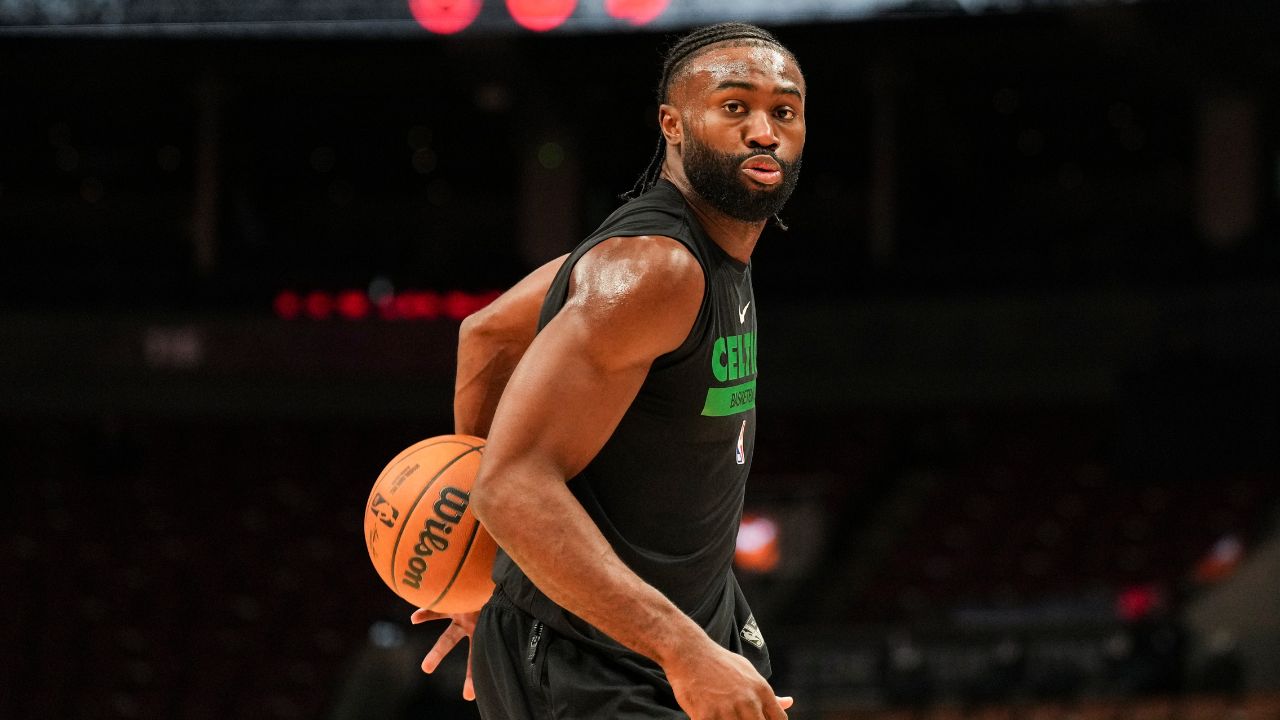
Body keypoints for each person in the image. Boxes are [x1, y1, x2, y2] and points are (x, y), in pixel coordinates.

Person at [411, 22, 806, 720]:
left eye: (784, 110)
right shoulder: (655, 269)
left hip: (674, 627)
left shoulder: (711, 252)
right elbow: (507, 486)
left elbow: (492, 333)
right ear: (674, 125)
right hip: (589, 660)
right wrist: (682, 650)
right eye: (735, 106)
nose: (765, 131)